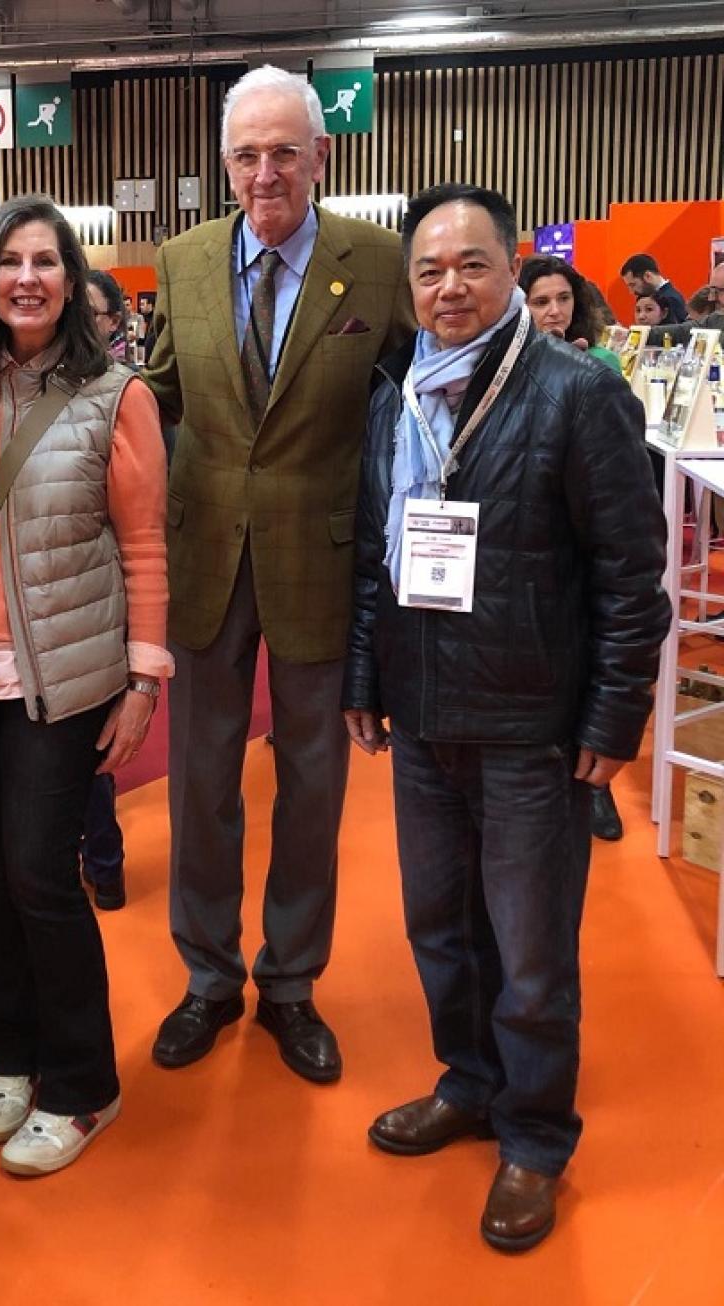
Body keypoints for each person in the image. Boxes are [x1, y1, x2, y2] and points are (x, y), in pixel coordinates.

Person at [344, 183, 669, 1252]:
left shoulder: (578, 393)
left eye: (472, 264)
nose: (450, 287)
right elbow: (375, 557)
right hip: (422, 716)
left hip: (532, 723)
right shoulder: (397, 395)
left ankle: (534, 1136)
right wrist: (365, 677)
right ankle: (469, 1083)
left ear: (515, 267)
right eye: (430, 269)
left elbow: (631, 574)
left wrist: (614, 716)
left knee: (530, 953)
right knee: (438, 928)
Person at [144, 63, 414, 1083]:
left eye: (285, 152)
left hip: (323, 562)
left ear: (321, 157)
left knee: (312, 784)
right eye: (248, 155)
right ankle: (208, 977)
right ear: (226, 165)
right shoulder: (182, 260)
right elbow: (154, 393)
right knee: (199, 782)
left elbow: (421, 391)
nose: (267, 173)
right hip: (204, 558)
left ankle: (291, 982)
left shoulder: (378, 263)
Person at [0, 195, 169, 1175]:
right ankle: (9, 1054)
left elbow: (144, 546)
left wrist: (143, 679)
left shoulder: (115, 395)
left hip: (63, 676)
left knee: (39, 874)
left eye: (46, 261)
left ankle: (81, 1082)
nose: (28, 277)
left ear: (72, 280)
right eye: (11, 261)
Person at [520, 255, 629, 841]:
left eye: (562, 299)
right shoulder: (503, 369)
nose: (554, 311)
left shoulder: (601, 367)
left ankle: (597, 793)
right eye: (540, 301)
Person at [81, 267, 133, 909]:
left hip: (106, 598)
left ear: (114, 322)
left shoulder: (126, 394)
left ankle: (105, 862)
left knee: (93, 745)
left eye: (89, 313)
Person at [620, 252, 688, 322]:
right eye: (638, 310)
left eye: (633, 285)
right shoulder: (647, 297)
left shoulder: (671, 300)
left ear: (648, 276)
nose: (631, 292)